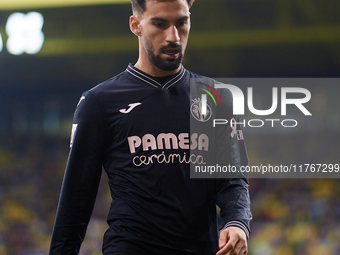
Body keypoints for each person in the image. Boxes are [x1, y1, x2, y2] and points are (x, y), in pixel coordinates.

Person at [49, 0, 252, 254]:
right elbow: (75, 199)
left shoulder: (216, 98)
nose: (173, 36)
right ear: (136, 25)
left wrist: (237, 222)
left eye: (181, 23)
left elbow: (232, 180)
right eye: (159, 24)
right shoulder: (99, 102)